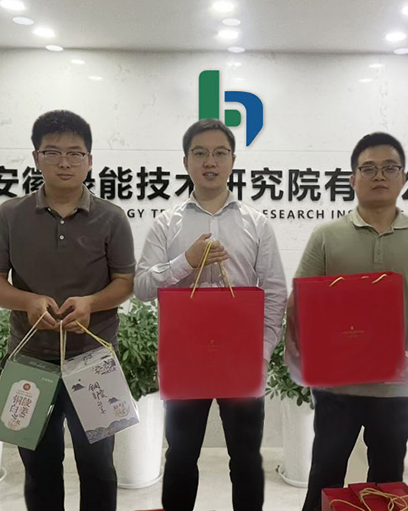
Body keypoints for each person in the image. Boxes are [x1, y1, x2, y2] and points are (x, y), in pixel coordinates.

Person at [288, 132, 408, 511]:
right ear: (353, 179)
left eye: (389, 168)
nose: (379, 175)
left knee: (387, 484)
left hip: (394, 389)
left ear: (403, 177)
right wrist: (302, 346)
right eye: (368, 169)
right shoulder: (326, 236)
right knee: (325, 475)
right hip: (336, 387)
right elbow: (302, 298)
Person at [0, 110, 135, 511]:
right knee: (39, 467)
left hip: (94, 361)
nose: (64, 162)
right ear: (36, 158)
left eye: (75, 153)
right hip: (29, 362)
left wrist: (91, 303)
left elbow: (125, 281)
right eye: (53, 152)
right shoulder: (10, 215)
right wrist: (28, 301)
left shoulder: (112, 218)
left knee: (98, 467)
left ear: (89, 160)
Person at [134, 118, 287, 511]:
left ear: (233, 160)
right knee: (181, 456)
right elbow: (143, 287)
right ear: (185, 161)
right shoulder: (166, 224)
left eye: (220, 153)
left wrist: (263, 351)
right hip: (185, 359)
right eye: (200, 153)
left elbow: (274, 291)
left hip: (242, 359)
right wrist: (186, 261)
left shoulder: (257, 223)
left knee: (246, 459)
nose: (210, 162)